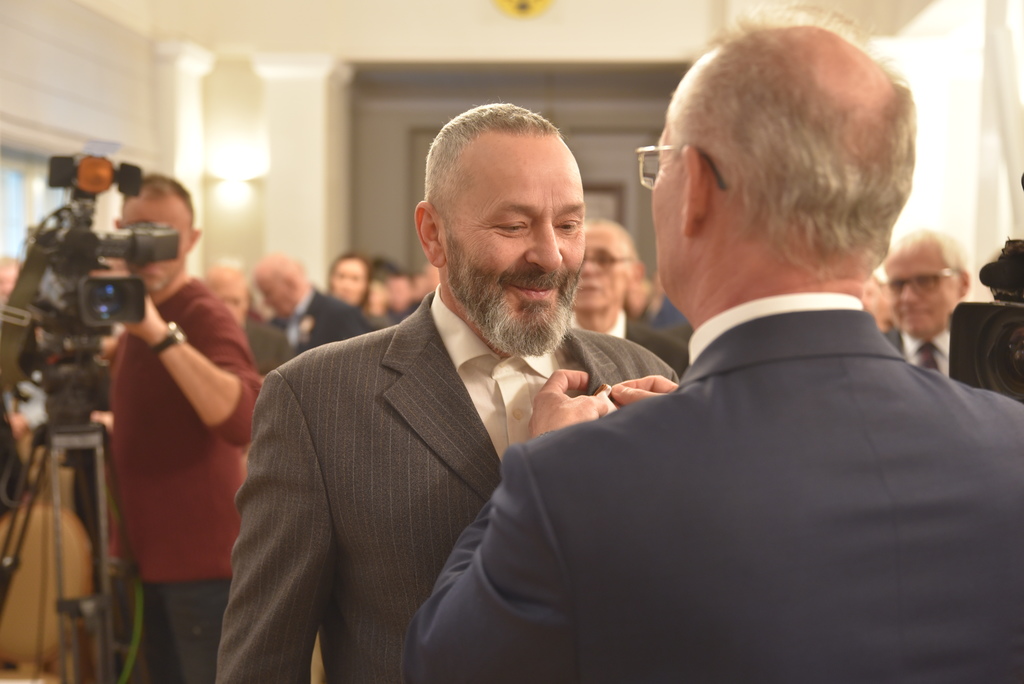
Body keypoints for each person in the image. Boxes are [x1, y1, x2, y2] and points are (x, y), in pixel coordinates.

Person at [403, 8, 1024, 684]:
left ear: (695, 187)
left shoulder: (576, 481)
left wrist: (544, 466)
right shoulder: (1010, 445)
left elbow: (443, 666)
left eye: (660, 166)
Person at [216, 103, 676, 684]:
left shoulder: (643, 372)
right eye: (513, 226)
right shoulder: (316, 401)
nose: (551, 255)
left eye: (568, 225)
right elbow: (262, 662)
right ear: (433, 234)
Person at [104, 175, 262, 684]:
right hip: (148, 560)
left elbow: (243, 417)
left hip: (200, 568)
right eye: (137, 232)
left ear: (192, 239)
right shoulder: (138, 312)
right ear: (117, 231)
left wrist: (157, 334)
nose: (149, 250)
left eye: (165, 235)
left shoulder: (200, 311)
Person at [575, 219, 689, 374]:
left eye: (604, 259)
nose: (587, 269)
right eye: (579, 260)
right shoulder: (546, 351)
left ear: (635, 275)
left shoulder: (670, 356)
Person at [882, 228, 970, 375]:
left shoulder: (990, 355)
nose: (907, 298)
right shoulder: (870, 358)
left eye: (924, 281)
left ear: (963, 284)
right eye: (897, 284)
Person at [253, 252, 370, 354]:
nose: (266, 302)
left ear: (290, 282)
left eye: (268, 293)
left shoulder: (340, 314)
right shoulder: (274, 325)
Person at [205, 263, 293, 376]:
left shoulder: (276, 342)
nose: (228, 310)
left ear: (247, 303)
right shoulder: (194, 342)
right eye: (221, 302)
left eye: (235, 302)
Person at [328, 252, 391, 330]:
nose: (346, 286)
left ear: (367, 284)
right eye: (341, 277)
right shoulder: (317, 320)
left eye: (355, 279)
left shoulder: (377, 327)